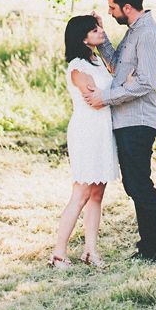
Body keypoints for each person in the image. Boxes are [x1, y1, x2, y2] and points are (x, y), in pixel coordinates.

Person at [83, 0, 156, 262]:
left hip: (138, 120)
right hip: (125, 120)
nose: (111, 13)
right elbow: (117, 69)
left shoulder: (148, 33)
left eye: (113, 7)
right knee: (135, 185)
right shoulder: (133, 32)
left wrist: (106, 97)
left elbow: (146, 83)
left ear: (127, 7)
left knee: (140, 186)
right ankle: (149, 249)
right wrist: (101, 36)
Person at [47, 15, 120, 269]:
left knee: (97, 194)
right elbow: (93, 98)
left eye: (99, 27)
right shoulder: (78, 66)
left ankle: (90, 251)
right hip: (87, 132)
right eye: (95, 29)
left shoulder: (96, 60)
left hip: (103, 131)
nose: (101, 31)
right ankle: (58, 254)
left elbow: (109, 86)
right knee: (81, 194)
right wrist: (125, 89)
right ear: (82, 38)